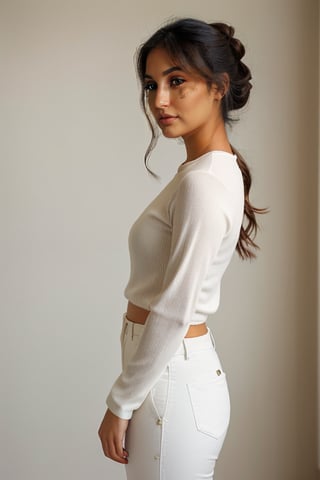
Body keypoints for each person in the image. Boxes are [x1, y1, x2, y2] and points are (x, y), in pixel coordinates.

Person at [99, 17, 264, 480]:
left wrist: (120, 401)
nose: (159, 100)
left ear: (218, 87)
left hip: (171, 379)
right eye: (152, 85)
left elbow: (174, 307)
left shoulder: (205, 183)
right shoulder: (205, 173)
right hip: (170, 377)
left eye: (177, 81)